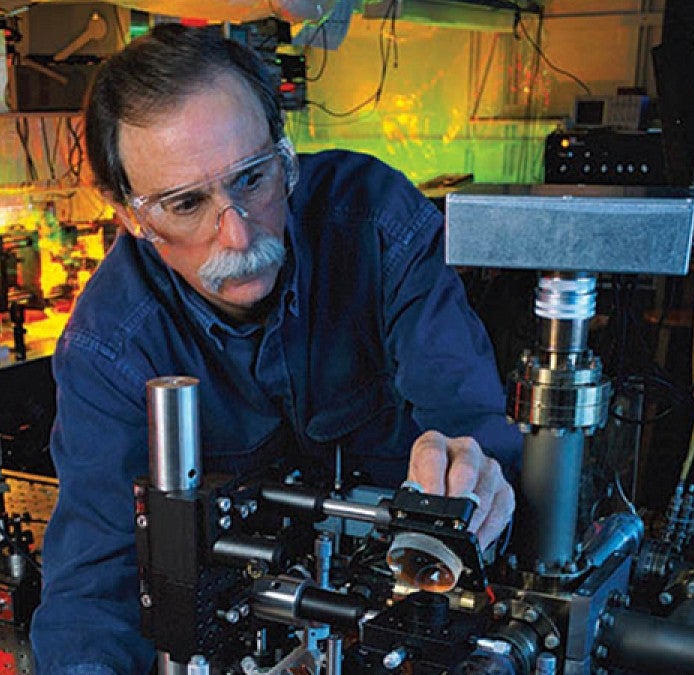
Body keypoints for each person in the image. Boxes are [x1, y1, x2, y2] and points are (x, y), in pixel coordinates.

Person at [30, 24, 522, 675]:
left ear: (283, 150)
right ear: (130, 215)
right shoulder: (110, 344)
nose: (235, 230)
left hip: (418, 607)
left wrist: (473, 477)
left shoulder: (376, 223)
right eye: (185, 204)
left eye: (253, 178)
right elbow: (95, 592)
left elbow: (470, 421)